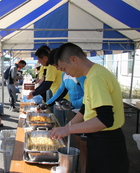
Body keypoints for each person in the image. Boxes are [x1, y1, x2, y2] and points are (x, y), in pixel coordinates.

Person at [49, 43, 129, 173]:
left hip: (107, 143)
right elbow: (85, 109)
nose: (66, 73)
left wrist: (69, 130)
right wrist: (66, 127)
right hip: (99, 140)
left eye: (64, 69)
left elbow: (105, 119)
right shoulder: (93, 75)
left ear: (73, 59)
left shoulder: (95, 78)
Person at [26, 46, 68, 112]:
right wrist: (35, 91)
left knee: (59, 120)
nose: (39, 62)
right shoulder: (50, 66)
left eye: (39, 60)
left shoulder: (51, 67)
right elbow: (47, 82)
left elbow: (47, 84)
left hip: (63, 99)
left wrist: (33, 94)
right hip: (58, 96)